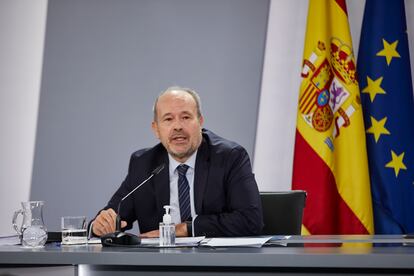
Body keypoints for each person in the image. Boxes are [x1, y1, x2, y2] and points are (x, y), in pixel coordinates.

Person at [91, 87, 263, 237]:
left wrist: (185, 229)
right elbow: (114, 215)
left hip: (217, 263)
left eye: (186, 117)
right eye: (168, 119)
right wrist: (99, 226)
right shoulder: (143, 164)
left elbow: (250, 220)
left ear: (200, 122)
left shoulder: (230, 157)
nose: (177, 126)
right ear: (156, 129)